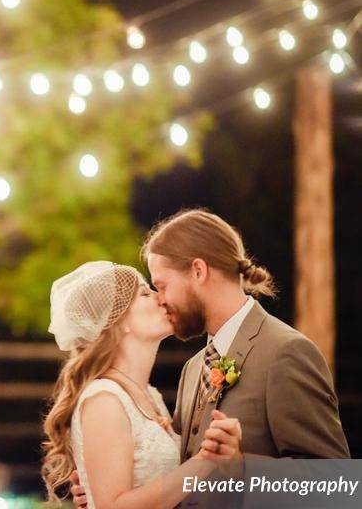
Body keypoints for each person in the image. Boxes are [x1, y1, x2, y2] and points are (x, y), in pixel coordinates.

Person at [66, 209, 350, 508]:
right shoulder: (193, 368)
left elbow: (336, 486)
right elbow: (179, 476)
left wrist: (242, 468)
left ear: (198, 272)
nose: (160, 298)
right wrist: (103, 486)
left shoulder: (285, 352)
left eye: (162, 285)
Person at [42, 260, 242, 509]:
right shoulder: (104, 400)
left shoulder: (150, 396)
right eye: (145, 293)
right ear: (117, 319)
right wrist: (203, 461)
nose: (161, 298)